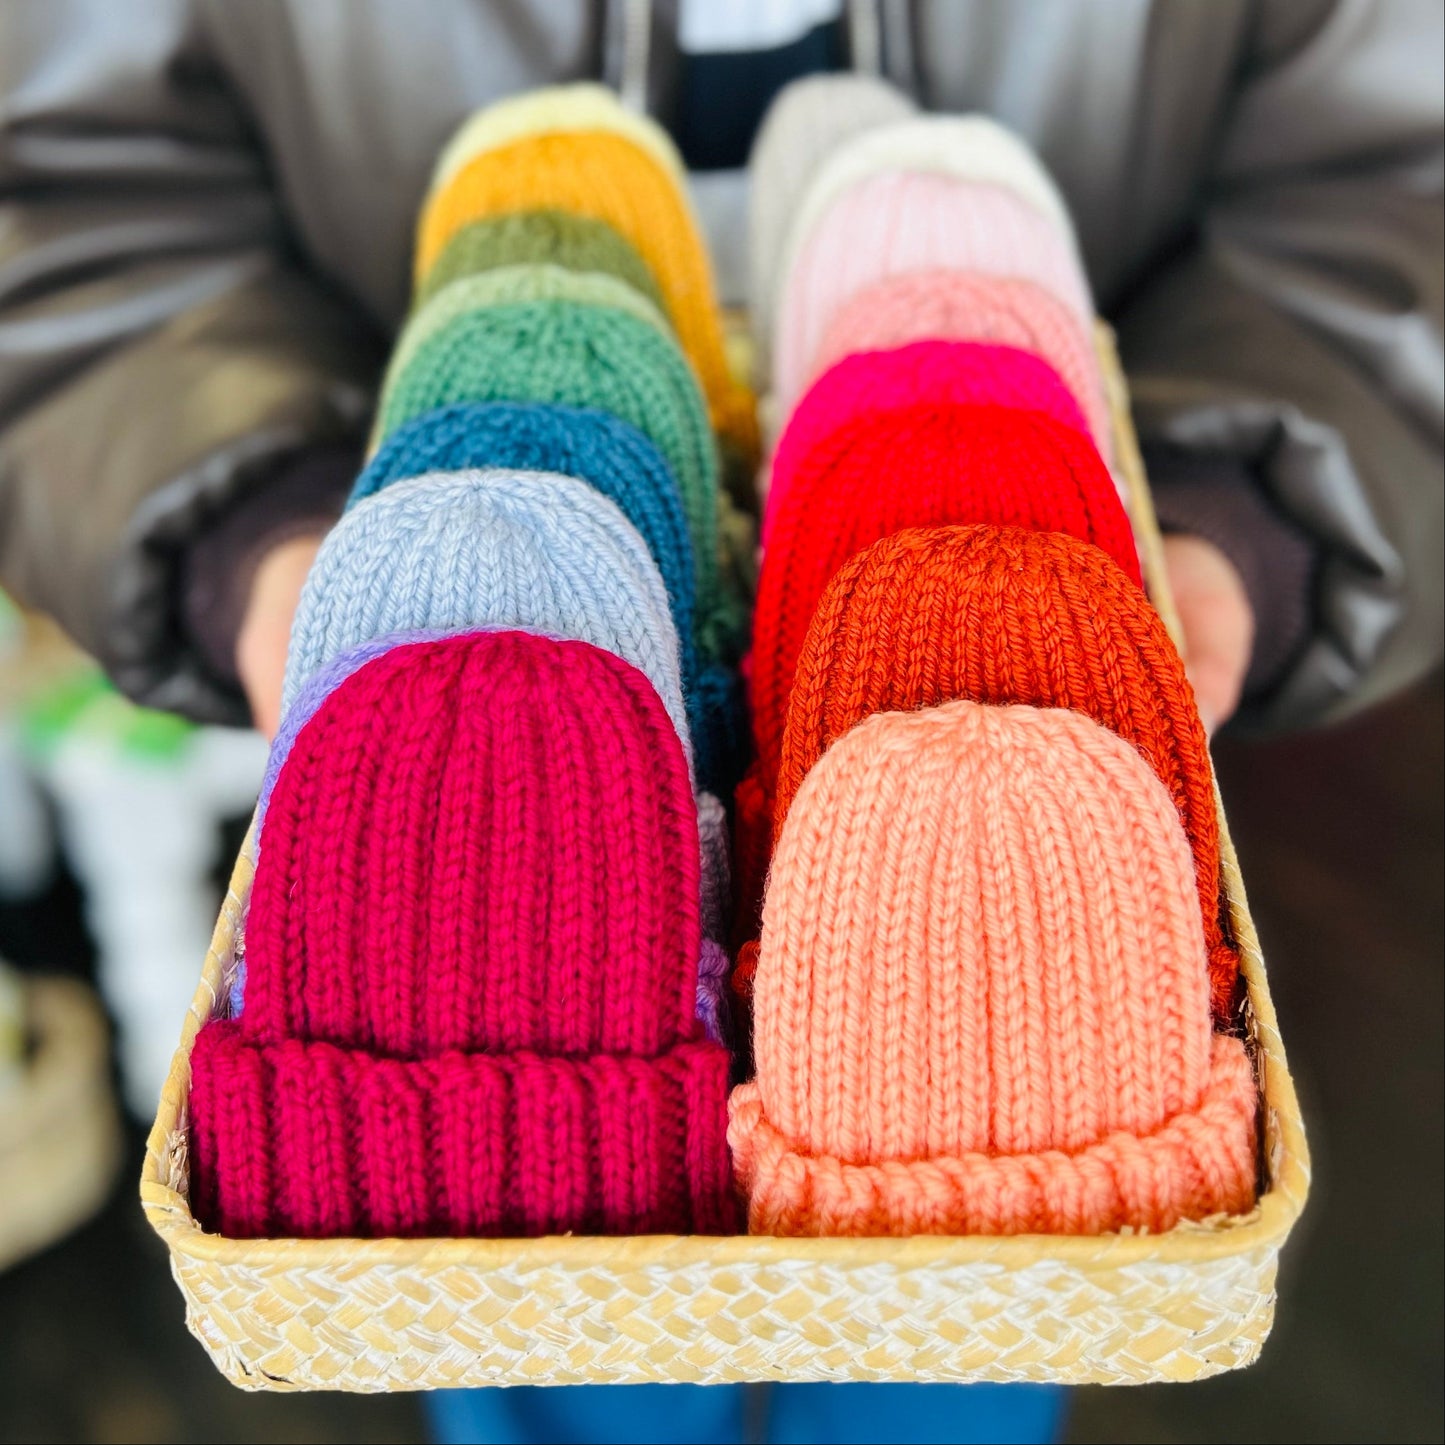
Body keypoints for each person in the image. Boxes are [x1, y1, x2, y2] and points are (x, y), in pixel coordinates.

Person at [1, 3, 1440, 1442]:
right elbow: (69, 190)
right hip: (429, 668)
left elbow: (1398, 175)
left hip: (1047, 817)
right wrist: (243, 518)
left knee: (957, 1324)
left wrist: (1252, 509)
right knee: (537, 1339)